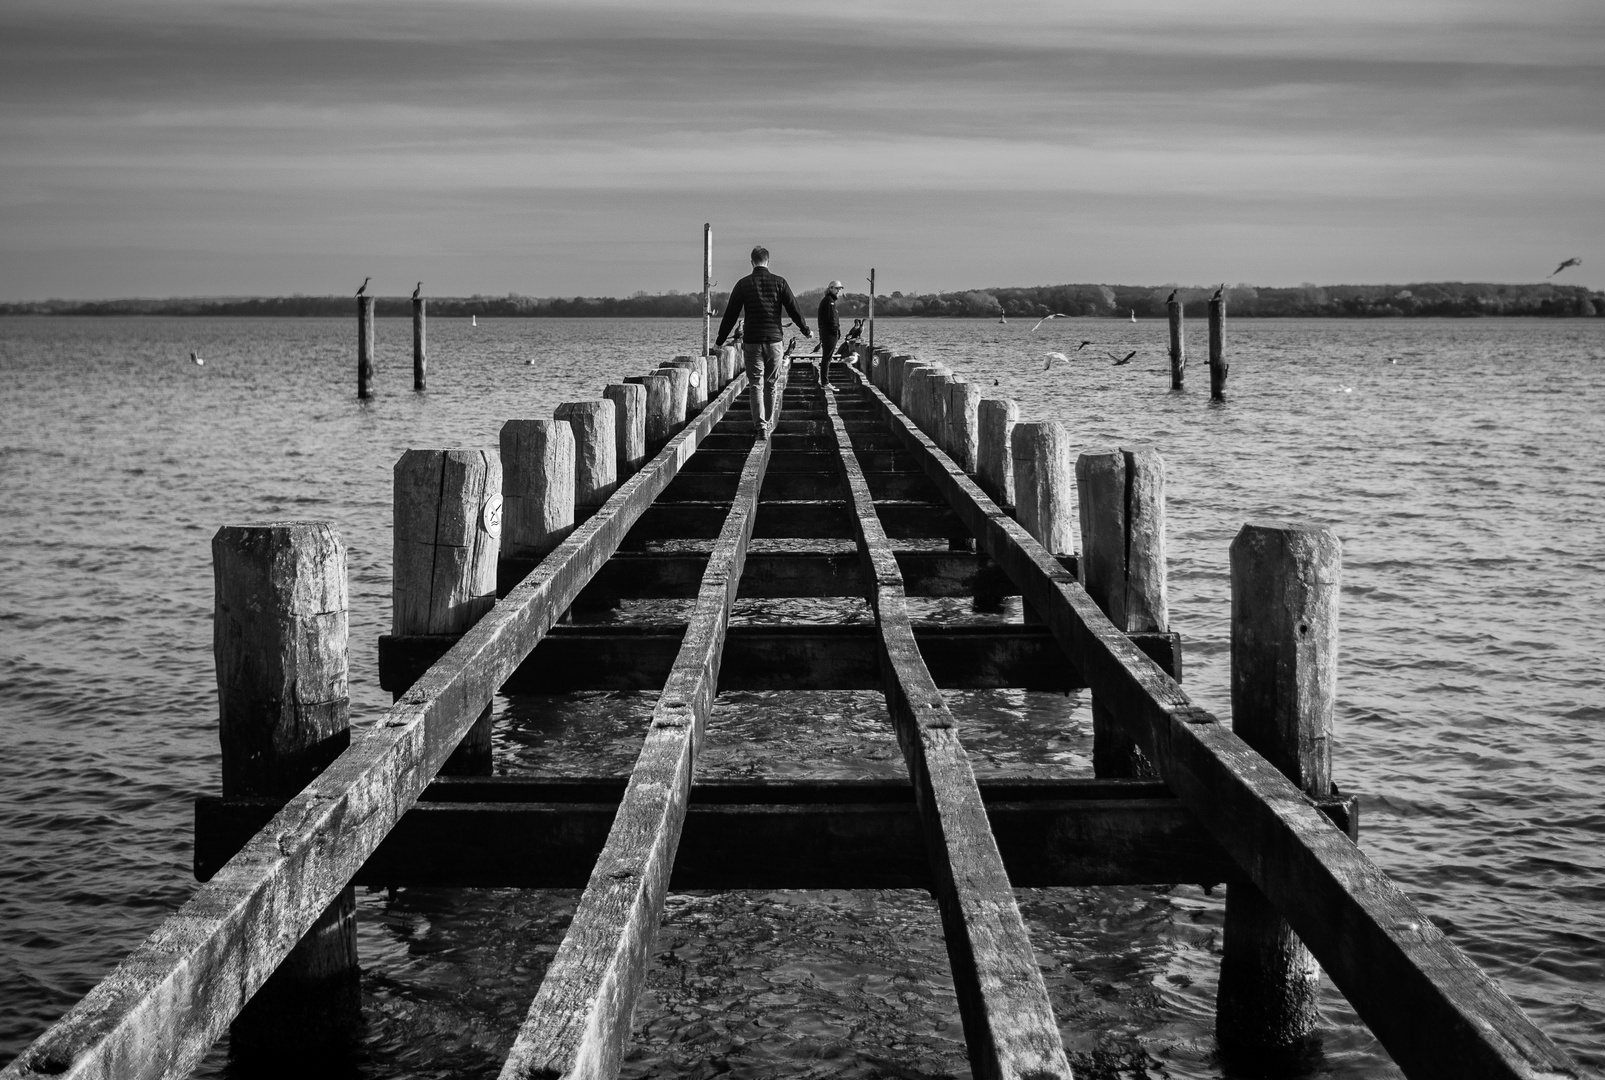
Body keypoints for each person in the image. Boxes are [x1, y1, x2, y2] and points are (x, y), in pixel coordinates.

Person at [715, 246, 811, 436]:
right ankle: (768, 422)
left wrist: (720, 340)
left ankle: (760, 426)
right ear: (768, 261)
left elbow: (731, 314)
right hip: (775, 341)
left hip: (752, 341)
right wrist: (806, 330)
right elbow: (794, 308)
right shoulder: (780, 282)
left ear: (751, 262)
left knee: (756, 384)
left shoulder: (743, 284)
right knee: (771, 384)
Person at [817, 280, 844, 389]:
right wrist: (835, 331)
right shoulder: (829, 302)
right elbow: (831, 320)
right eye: (837, 288)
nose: (838, 291)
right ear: (831, 288)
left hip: (829, 334)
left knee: (827, 357)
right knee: (827, 358)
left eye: (840, 289)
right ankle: (825, 382)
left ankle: (825, 381)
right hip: (829, 335)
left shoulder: (829, 301)